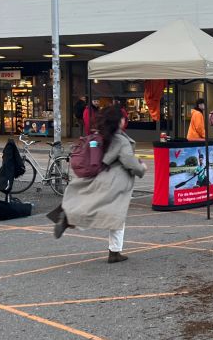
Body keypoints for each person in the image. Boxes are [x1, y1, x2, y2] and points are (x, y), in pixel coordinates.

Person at [52, 106, 148, 263]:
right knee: (114, 214)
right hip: (116, 181)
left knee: (96, 207)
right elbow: (129, 161)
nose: (125, 120)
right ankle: (113, 251)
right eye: (123, 118)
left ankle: (114, 251)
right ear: (119, 121)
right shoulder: (121, 140)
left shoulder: (101, 135)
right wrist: (142, 168)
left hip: (101, 177)